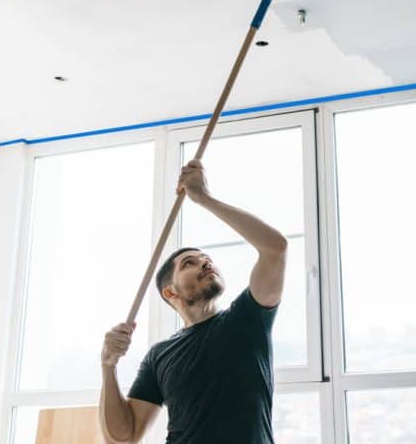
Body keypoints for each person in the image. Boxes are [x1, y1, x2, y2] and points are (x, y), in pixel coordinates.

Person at [99, 159, 288, 443]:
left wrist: (204, 199)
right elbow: (124, 437)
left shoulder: (248, 318)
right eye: (190, 263)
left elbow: (275, 249)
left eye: (208, 260)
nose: (206, 264)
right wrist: (108, 365)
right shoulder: (159, 355)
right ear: (170, 292)